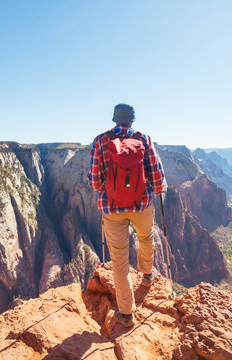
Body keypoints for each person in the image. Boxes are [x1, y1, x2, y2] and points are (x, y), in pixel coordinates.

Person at [87, 103, 165, 327]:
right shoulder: (144, 139)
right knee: (146, 237)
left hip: (111, 209)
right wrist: (156, 191)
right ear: (132, 120)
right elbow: (156, 176)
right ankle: (148, 276)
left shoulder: (100, 140)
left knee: (119, 262)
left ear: (114, 119)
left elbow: (94, 182)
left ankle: (126, 314)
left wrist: (109, 188)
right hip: (142, 204)